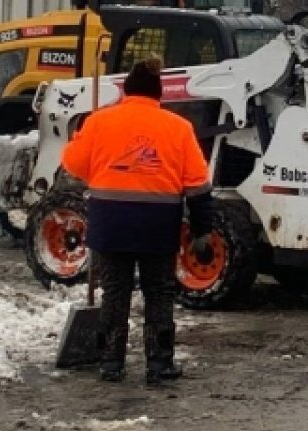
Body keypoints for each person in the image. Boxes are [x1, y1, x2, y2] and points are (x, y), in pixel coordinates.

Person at [61, 56, 215, 384]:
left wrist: (87, 147)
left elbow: (73, 164)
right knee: (159, 293)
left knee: (114, 292)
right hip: (157, 227)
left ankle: (110, 362)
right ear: (158, 94)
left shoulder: (99, 121)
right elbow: (199, 187)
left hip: (110, 223)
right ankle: (159, 364)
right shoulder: (180, 128)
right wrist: (202, 230)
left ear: (126, 91)